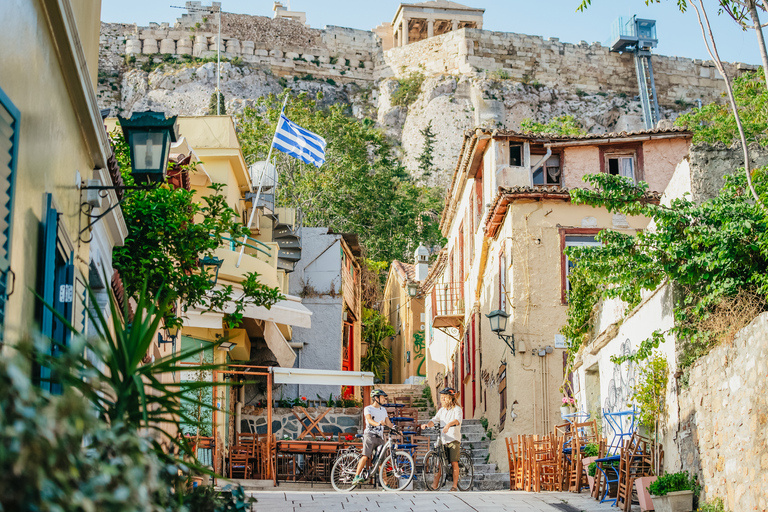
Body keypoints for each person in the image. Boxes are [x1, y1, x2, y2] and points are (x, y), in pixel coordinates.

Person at [419, 387, 463, 491]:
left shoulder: (457, 409)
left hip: (453, 439)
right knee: (439, 463)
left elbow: (457, 421)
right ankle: (434, 486)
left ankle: (454, 486)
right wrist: (427, 424)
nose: (442, 399)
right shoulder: (442, 411)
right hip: (443, 440)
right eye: (441, 397)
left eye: (444, 397)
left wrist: (448, 425)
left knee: (454, 463)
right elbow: (434, 420)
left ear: (450, 398)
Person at [351, 388, 395, 486]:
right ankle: (356, 477)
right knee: (365, 456)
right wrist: (378, 423)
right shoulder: (368, 409)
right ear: (376, 398)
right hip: (369, 435)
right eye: (383, 397)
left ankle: (385, 485)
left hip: (380, 437)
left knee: (381, 462)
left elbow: (388, 423)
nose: (384, 399)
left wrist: (396, 429)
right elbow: (369, 419)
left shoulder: (383, 410)